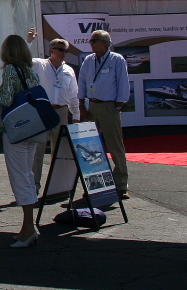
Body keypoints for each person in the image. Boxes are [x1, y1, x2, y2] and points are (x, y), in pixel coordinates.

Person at [0, 34, 42, 248]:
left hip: (15, 129)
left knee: (19, 176)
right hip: (32, 127)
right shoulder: (30, 70)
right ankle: (28, 227)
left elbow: (6, 99)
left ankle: (28, 228)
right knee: (28, 173)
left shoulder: (9, 70)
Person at [78, 30, 131, 198]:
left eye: (95, 41)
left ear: (105, 43)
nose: (91, 44)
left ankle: (121, 184)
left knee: (114, 145)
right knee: (91, 147)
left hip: (109, 106)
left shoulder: (117, 59)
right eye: (91, 41)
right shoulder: (88, 60)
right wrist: (81, 103)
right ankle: (95, 184)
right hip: (91, 105)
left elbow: (123, 82)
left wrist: (119, 103)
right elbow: (82, 81)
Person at [26, 31, 80, 186]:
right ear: (51, 50)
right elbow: (22, 61)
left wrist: (75, 115)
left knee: (60, 149)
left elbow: (73, 93)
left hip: (61, 111)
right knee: (38, 148)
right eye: (61, 49)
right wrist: (28, 41)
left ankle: (58, 184)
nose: (64, 53)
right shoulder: (39, 64)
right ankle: (34, 184)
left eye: (66, 50)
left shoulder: (69, 70)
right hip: (42, 110)